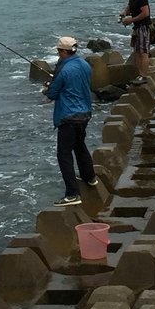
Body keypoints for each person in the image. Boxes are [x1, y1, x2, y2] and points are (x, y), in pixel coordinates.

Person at [42, 36, 96, 206]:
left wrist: (47, 89)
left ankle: (72, 194)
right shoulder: (85, 65)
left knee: (63, 154)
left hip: (69, 117)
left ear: (65, 51)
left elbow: (52, 94)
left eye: (59, 51)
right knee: (80, 145)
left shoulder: (64, 70)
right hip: (85, 113)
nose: (58, 54)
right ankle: (90, 177)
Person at [120, 0, 151, 84]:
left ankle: (144, 76)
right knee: (137, 52)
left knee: (144, 52)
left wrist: (130, 20)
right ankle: (139, 75)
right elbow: (130, 7)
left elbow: (145, 13)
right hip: (137, 28)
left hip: (143, 27)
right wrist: (125, 12)